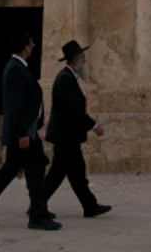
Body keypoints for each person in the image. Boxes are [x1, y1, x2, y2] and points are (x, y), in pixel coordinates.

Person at [0, 31, 61, 231]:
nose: (34, 46)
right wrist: (23, 133)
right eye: (32, 43)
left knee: (8, 172)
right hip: (24, 134)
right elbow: (16, 105)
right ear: (26, 46)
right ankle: (37, 215)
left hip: (25, 132)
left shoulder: (17, 68)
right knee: (34, 172)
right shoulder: (16, 69)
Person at [45, 39, 112, 218]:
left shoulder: (68, 78)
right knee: (60, 174)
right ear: (75, 60)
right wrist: (94, 125)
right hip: (65, 136)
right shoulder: (65, 79)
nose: (85, 62)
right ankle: (37, 205)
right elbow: (73, 110)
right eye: (83, 58)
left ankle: (90, 206)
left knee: (75, 174)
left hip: (68, 136)